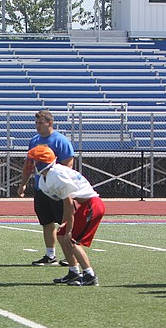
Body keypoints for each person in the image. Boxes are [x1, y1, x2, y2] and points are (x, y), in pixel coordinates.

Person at [27, 145, 105, 286]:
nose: (30, 164)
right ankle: (74, 271)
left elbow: (69, 203)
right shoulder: (47, 178)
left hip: (90, 205)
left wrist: (69, 229)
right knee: (61, 235)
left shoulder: (55, 174)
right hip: (83, 205)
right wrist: (65, 225)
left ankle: (89, 275)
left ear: (41, 162)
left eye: (33, 160)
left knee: (70, 239)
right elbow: (67, 203)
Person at [17, 110, 75, 266]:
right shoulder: (34, 140)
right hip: (41, 189)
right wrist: (23, 184)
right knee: (46, 222)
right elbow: (28, 165)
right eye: (36, 123)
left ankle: (70, 256)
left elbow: (68, 164)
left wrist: (60, 184)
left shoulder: (60, 140)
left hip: (57, 189)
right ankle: (50, 255)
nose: (37, 126)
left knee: (65, 222)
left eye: (40, 123)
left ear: (50, 123)